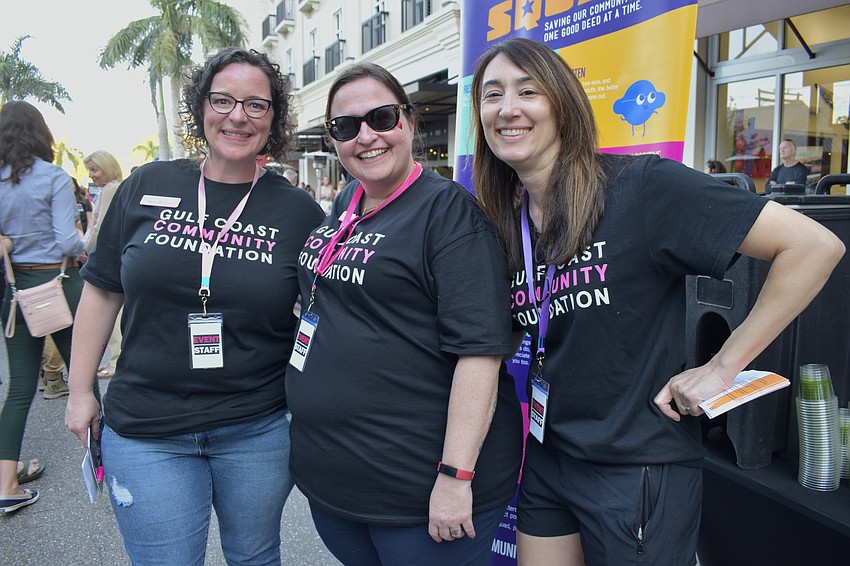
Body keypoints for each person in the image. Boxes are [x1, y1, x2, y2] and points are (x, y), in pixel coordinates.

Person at [469, 37, 845, 566]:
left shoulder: (641, 187)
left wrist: (723, 366)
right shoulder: (505, 219)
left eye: (527, 90)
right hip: (548, 455)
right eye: (492, 95)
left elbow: (813, 247)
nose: (508, 108)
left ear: (562, 103)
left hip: (635, 466)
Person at [64, 47, 324, 564]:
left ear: (273, 119)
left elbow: (325, 314)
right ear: (201, 107)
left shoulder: (297, 211)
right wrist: (79, 391)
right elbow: (102, 289)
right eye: (223, 100)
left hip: (257, 426)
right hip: (146, 431)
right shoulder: (147, 184)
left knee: (254, 557)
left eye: (256, 105)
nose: (237, 116)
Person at [285, 62, 522, 565]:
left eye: (382, 117)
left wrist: (455, 478)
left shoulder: (448, 214)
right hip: (338, 479)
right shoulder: (350, 199)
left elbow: (480, 353)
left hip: (416, 492)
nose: (365, 137)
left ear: (409, 122)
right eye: (345, 127)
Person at [0, 101, 86, 514]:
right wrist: (87, 248)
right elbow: (67, 240)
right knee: (82, 375)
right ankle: (106, 467)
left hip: (15, 290)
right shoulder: (53, 177)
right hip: (58, 283)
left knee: (19, 389)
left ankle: (6, 483)